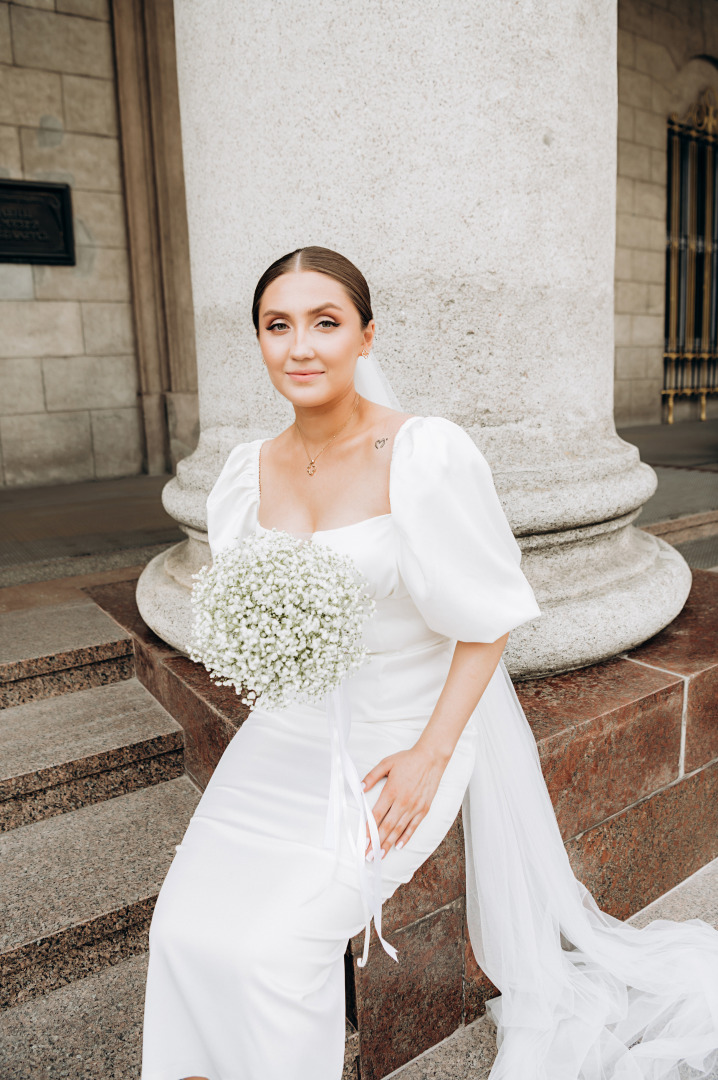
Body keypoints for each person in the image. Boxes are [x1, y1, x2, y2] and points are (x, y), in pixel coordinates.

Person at [141, 247, 718, 1080]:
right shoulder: (243, 473)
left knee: (274, 948)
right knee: (184, 932)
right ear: (260, 343)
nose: (300, 346)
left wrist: (428, 756)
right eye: (278, 326)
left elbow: (488, 624)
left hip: (399, 743)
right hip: (282, 740)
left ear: (366, 338)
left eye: (325, 322)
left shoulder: (424, 456)